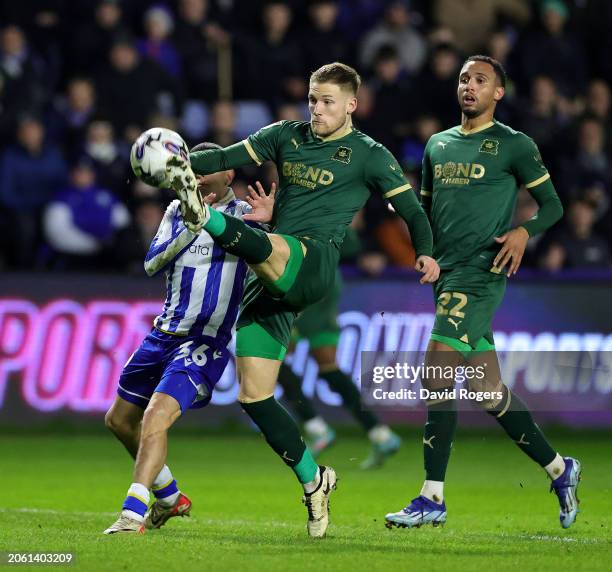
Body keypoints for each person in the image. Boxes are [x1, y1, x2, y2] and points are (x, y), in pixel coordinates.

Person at [165, 62, 439, 538]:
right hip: (275, 269)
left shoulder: (369, 155)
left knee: (270, 245)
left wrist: (428, 254)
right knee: (255, 394)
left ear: (352, 104)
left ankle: (202, 217)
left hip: (312, 263)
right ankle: (315, 480)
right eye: (313, 99)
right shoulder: (284, 136)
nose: (317, 109)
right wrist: (174, 161)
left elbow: (412, 209)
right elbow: (220, 158)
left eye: (328, 101)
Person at [384, 55, 581, 530]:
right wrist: (425, 252)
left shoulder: (513, 145)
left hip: (482, 271)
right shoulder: (436, 146)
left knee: (435, 372)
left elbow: (555, 205)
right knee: (486, 390)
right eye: (463, 79)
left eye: (480, 80)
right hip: (448, 275)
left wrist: (524, 232)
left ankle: (432, 496)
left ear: (498, 93)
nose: (469, 86)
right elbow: (426, 215)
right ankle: (560, 468)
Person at [103, 142, 265, 534]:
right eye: (192, 171)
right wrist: (191, 228)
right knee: (120, 420)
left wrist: (274, 223)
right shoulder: (176, 211)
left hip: (204, 340)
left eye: (206, 170)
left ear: (228, 175)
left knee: (156, 418)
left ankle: (131, 514)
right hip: (163, 333)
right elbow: (151, 262)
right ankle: (171, 498)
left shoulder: (247, 216)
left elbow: (277, 255)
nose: (197, 177)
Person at [277, 227, 402, 469]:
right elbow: (353, 243)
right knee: (328, 367)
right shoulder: (331, 207)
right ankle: (380, 433)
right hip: (328, 283)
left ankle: (316, 428)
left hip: (300, 285)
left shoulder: (294, 203)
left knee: (274, 360)